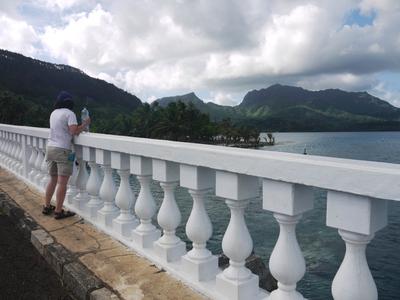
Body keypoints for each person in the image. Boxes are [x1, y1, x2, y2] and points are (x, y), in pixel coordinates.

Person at [43, 91, 91, 219]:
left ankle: (47, 206)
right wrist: (85, 124)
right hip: (63, 150)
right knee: (62, 183)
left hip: (50, 147)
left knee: (52, 179)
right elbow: (74, 131)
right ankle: (59, 211)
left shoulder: (54, 113)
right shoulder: (70, 114)